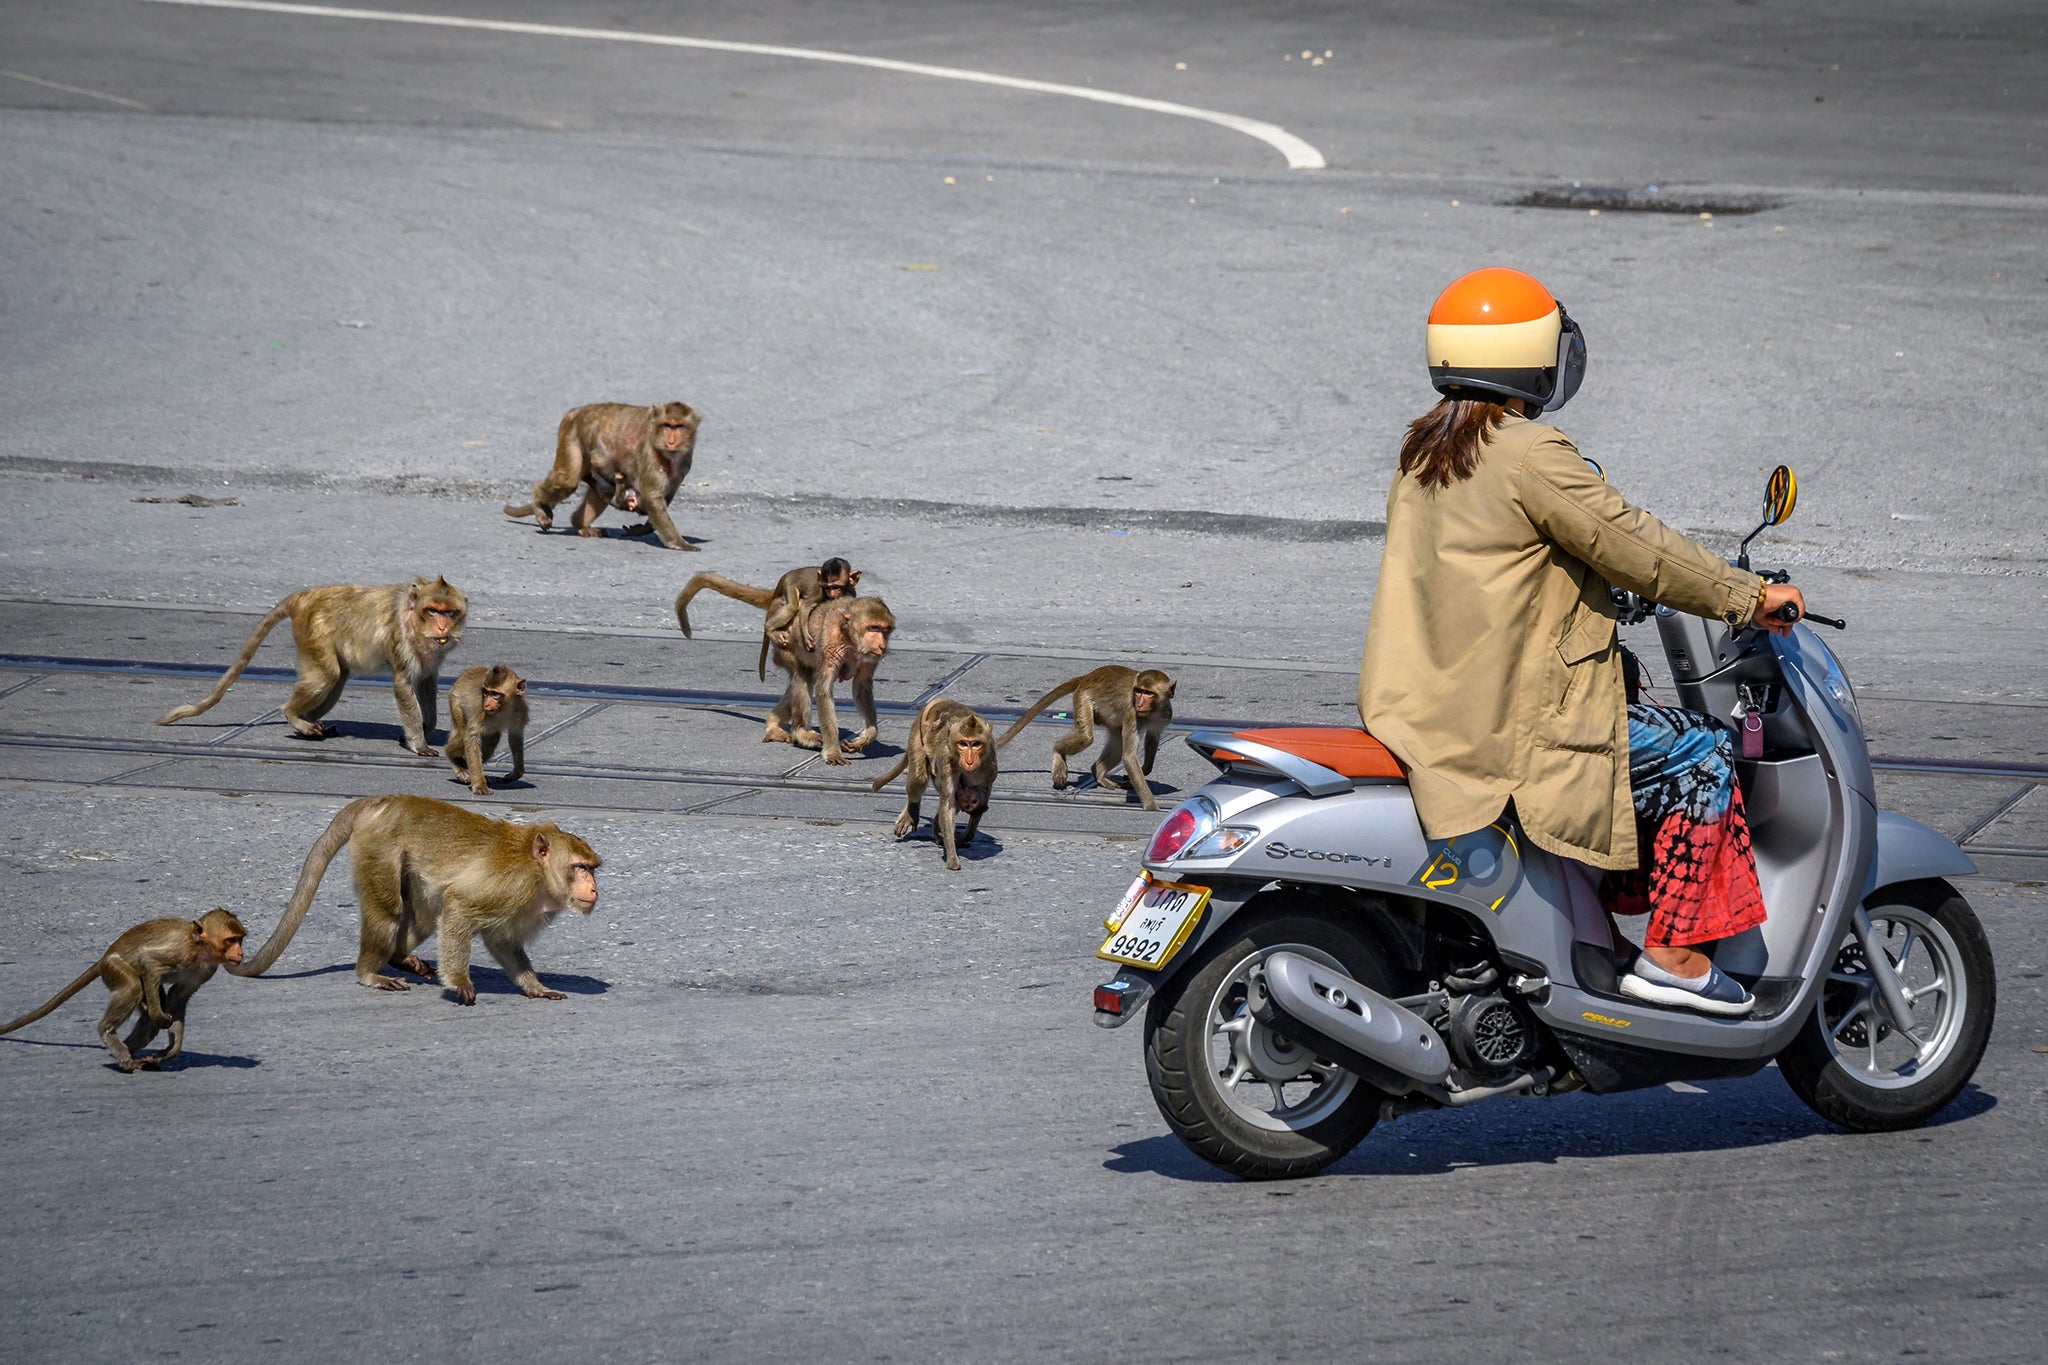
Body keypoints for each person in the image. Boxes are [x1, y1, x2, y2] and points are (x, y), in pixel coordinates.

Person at [1358, 267, 1805, 1017]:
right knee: (1701, 748)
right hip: (1507, 724)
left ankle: (1590, 932)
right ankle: (1675, 955)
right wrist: (1749, 596)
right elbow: (1633, 543)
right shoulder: (1528, 451)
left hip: (1425, 705)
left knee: (1626, 702)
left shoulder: (1426, 451)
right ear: (1532, 357)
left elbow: (1495, 572)